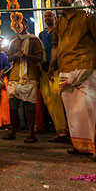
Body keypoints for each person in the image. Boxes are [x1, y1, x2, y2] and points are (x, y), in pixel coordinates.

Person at [47, 0, 96, 163]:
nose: (61, 0)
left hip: (86, 64)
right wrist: (51, 65)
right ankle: (80, 145)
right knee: (72, 110)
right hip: (65, 67)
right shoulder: (58, 23)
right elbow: (55, 46)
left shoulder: (86, 17)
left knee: (95, 103)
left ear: (72, 0)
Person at [4, 16, 44, 143]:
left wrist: (26, 56)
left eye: (21, 24)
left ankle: (31, 133)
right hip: (15, 77)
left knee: (30, 107)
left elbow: (40, 57)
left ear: (26, 26)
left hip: (29, 76)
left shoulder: (34, 40)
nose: (18, 26)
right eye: (17, 24)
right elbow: (8, 58)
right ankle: (12, 131)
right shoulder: (13, 41)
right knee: (13, 106)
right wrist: (15, 55)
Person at [39, 10, 68, 143]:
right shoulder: (42, 34)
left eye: (49, 16)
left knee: (56, 97)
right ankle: (59, 129)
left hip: (56, 68)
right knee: (47, 99)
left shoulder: (59, 30)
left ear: (55, 18)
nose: (47, 18)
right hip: (45, 69)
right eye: (45, 16)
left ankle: (63, 131)